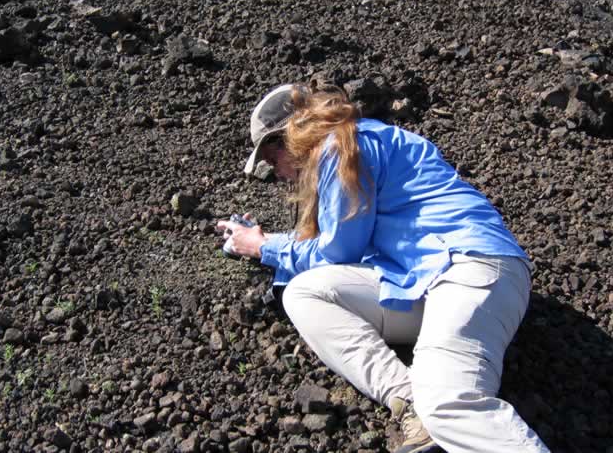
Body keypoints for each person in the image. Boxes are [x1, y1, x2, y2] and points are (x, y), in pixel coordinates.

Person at [217, 84, 551, 453]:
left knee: (448, 400)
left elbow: (337, 251)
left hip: (469, 266)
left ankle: (435, 409)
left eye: (270, 158)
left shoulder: (341, 149)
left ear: (288, 139)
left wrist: (264, 246)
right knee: (305, 292)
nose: (275, 173)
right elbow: (343, 251)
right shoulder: (352, 147)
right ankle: (410, 403)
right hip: (428, 280)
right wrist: (266, 247)